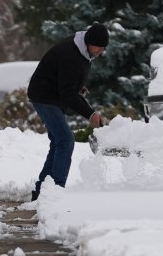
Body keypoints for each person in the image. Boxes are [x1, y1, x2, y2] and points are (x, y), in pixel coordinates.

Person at [27, 22, 110, 201]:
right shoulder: (71, 54)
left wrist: (78, 86)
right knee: (65, 140)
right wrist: (90, 114)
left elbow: (67, 82)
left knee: (58, 142)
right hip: (44, 96)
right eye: (98, 47)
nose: (100, 51)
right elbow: (67, 94)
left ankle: (42, 192)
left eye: (103, 48)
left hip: (53, 95)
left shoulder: (84, 51)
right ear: (89, 41)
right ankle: (55, 191)